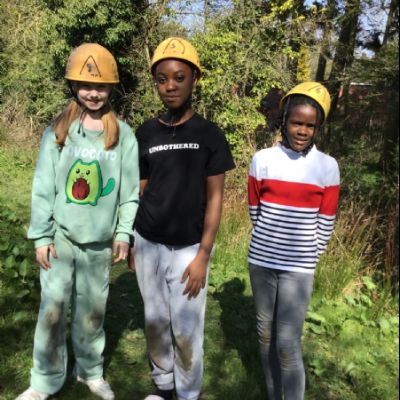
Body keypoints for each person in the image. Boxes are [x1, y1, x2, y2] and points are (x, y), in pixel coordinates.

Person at [17, 43, 140, 400]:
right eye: (86, 85)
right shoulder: (59, 130)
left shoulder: (123, 135)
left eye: (101, 86)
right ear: (73, 85)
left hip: (99, 244)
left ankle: (89, 371)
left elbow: (130, 192)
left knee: (92, 313)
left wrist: (123, 232)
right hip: (61, 239)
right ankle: (44, 380)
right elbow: (43, 185)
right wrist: (42, 236)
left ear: (111, 87)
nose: (93, 93)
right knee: (52, 309)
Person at [128, 37, 235, 400]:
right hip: (148, 242)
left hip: (189, 248)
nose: (170, 86)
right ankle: (163, 386)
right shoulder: (145, 133)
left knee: (186, 330)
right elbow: (138, 191)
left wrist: (204, 254)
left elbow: (216, 198)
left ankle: (188, 393)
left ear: (194, 79)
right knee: (155, 321)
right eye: (161, 79)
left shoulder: (209, 135)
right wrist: (131, 240)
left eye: (179, 77)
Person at [247, 82, 340, 400]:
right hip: (261, 262)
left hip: (298, 268)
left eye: (310, 126)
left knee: (287, 343)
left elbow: (326, 220)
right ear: (284, 121)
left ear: (318, 128)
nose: (302, 131)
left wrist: (309, 255)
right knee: (265, 336)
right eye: (296, 122)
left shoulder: (327, 167)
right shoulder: (262, 160)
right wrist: (268, 242)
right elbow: (255, 209)